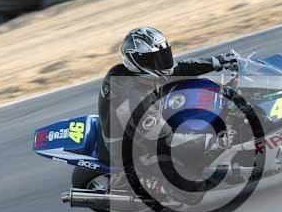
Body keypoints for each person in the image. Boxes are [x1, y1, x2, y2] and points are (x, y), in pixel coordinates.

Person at [97, 27, 236, 196]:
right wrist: (210, 141)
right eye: (156, 59)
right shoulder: (133, 98)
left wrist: (218, 61)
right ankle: (166, 188)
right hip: (131, 141)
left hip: (148, 116)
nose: (163, 62)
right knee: (190, 186)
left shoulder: (143, 74)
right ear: (139, 61)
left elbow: (181, 68)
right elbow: (164, 138)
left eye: (163, 55)